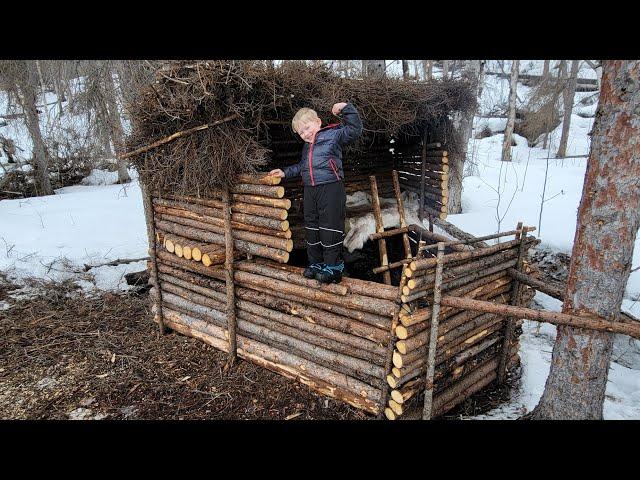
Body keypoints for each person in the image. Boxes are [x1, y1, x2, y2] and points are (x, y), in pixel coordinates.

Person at [269, 102, 362, 284]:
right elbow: (303, 167)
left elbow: (354, 129)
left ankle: (333, 267)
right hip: (311, 189)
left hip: (331, 187)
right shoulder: (307, 147)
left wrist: (345, 109)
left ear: (318, 122)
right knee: (312, 227)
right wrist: (285, 172)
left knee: (330, 227)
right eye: (301, 133)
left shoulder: (333, 135)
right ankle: (316, 264)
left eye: (307, 128)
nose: (305, 134)